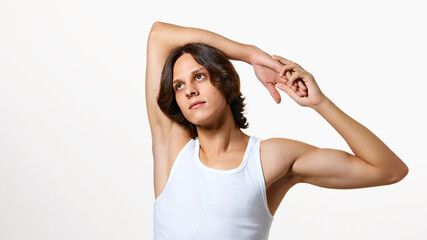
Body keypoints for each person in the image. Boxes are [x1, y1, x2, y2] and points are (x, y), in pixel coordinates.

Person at [145, 22, 409, 240]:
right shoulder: (172, 149)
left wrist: (320, 103)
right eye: (179, 86)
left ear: (225, 81)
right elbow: (159, 35)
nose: (189, 90)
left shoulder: (268, 158)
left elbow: (389, 170)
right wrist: (249, 55)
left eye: (199, 76)